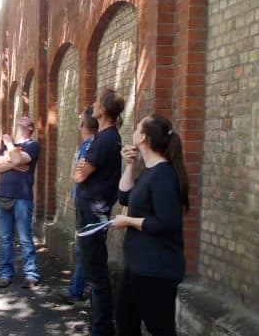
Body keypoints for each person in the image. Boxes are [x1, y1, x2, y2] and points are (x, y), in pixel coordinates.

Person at [111, 114, 189, 335]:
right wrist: (130, 164)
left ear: (143, 137)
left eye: (136, 129)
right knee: (125, 322)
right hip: (137, 266)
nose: (133, 132)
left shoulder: (164, 175)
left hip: (156, 269)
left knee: (160, 328)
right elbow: (124, 196)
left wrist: (127, 221)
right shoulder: (148, 172)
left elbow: (166, 223)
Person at [72, 88, 125, 336]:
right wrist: (81, 169)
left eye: (95, 101)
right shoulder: (106, 138)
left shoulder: (103, 140)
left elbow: (79, 174)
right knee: (94, 271)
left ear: (103, 109)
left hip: (93, 214)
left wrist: (79, 170)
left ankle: (101, 328)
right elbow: (82, 172)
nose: (91, 104)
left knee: (96, 274)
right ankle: (99, 323)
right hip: (93, 212)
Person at [0, 115, 41, 289]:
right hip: (3, 195)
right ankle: (5, 274)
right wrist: (14, 162)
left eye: (25, 119)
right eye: (19, 118)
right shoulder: (6, 147)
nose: (21, 119)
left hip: (22, 197)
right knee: (5, 238)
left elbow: (19, 159)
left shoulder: (32, 145)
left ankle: (31, 274)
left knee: (25, 238)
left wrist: (9, 145)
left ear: (30, 127)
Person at [64, 106, 98, 304]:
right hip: (83, 203)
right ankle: (76, 289)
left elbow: (77, 175)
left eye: (79, 118)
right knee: (82, 248)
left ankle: (79, 291)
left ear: (83, 123)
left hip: (88, 206)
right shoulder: (86, 145)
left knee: (86, 249)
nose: (78, 120)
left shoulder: (91, 147)